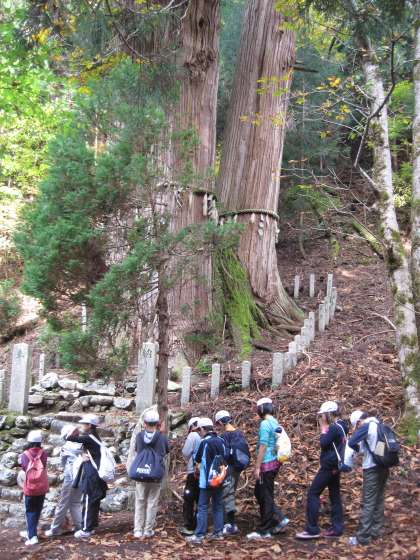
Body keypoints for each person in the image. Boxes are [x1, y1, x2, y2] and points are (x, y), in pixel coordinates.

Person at [296, 400, 348, 540]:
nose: (321, 417)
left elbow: (323, 443)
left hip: (329, 466)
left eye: (322, 415)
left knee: (313, 493)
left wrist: (323, 428)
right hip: (336, 465)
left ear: (328, 414)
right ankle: (337, 528)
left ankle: (312, 529)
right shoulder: (343, 425)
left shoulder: (334, 428)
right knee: (335, 496)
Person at [345, 410, 390, 546]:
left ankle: (363, 537)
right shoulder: (379, 424)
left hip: (371, 469)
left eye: (356, 425)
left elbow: (351, 442)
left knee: (368, 502)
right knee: (379, 499)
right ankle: (376, 532)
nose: (357, 428)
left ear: (358, 422)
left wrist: (361, 451)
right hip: (383, 466)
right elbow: (380, 447)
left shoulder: (366, 426)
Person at [247, 397, 289, 540]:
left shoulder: (265, 423)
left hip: (266, 464)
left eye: (258, 409)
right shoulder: (274, 422)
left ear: (262, 409)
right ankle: (277, 519)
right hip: (274, 463)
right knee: (260, 492)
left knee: (265, 495)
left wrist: (257, 467)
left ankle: (265, 530)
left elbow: (263, 446)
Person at [65, 414, 107, 539]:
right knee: (94, 500)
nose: (82, 426)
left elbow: (68, 438)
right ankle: (91, 526)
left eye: (84, 424)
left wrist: (74, 429)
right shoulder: (94, 436)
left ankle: (86, 529)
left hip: (91, 474)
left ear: (89, 425)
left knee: (88, 500)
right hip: (96, 472)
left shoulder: (88, 437)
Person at [186, 417, 227, 545]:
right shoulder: (221, 440)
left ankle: (199, 535)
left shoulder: (205, 442)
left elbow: (197, 459)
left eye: (199, 430)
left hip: (206, 481)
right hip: (219, 479)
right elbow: (226, 457)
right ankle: (218, 533)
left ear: (203, 429)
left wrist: (197, 471)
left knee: (202, 507)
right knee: (218, 505)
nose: (199, 432)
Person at [133, 409, 169, 539]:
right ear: (157, 423)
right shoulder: (162, 437)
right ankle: (148, 530)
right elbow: (165, 452)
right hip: (155, 473)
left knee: (140, 500)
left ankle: (138, 529)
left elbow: (137, 450)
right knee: (152, 501)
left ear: (145, 423)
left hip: (141, 472)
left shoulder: (139, 436)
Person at [214, 409, 250, 535]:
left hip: (228, 468)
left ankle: (230, 524)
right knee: (231, 492)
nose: (217, 427)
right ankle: (229, 523)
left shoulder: (225, 436)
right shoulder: (239, 433)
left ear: (220, 422)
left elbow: (224, 454)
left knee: (227, 494)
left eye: (217, 424)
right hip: (237, 468)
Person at [45, 424, 83, 537]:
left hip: (70, 478)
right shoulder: (83, 444)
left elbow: (63, 463)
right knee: (75, 502)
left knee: (63, 503)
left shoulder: (67, 447)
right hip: (82, 476)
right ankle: (80, 526)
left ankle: (55, 529)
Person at [19, 430, 49, 546]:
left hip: (30, 487)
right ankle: (31, 531)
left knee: (30, 511)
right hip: (41, 487)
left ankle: (32, 536)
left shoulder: (25, 454)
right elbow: (44, 465)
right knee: (37, 510)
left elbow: (24, 468)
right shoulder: (43, 453)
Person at [180, 416, 201, 536]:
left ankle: (189, 525)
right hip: (204, 473)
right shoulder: (206, 434)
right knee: (200, 499)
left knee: (189, 498)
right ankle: (200, 524)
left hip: (193, 471)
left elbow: (185, 452)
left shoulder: (193, 435)